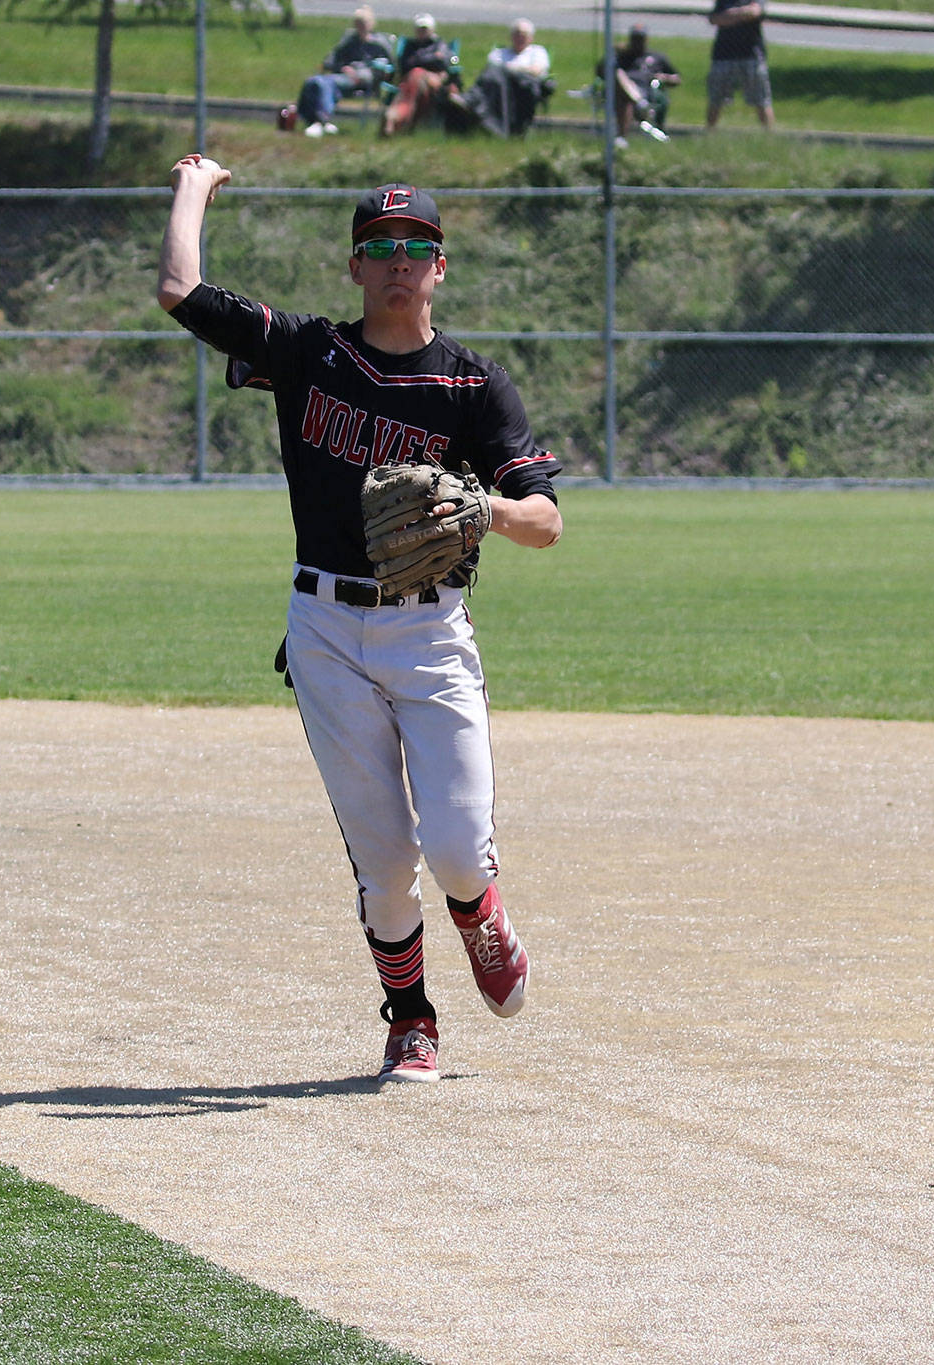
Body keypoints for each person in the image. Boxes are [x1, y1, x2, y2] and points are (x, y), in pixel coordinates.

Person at [155, 157, 564, 1084]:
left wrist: (480, 508)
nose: (395, 261)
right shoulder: (310, 354)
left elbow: (547, 521)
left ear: (440, 267)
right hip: (327, 629)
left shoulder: (472, 389)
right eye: (377, 248)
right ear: (355, 268)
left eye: (415, 247)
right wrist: (193, 186)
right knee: (384, 862)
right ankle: (411, 1017)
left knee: (458, 851)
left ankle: (480, 913)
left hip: (429, 632)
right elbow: (180, 290)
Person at [293, 6, 393, 139]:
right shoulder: (349, 41)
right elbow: (332, 59)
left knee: (324, 83)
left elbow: (385, 67)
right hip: (343, 76)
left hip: (362, 80)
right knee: (312, 82)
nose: (360, 26)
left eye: (363, 23)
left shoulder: (379, 44)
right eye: (357, 23)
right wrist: (342, 68)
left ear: (371, 24)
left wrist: (359, 73)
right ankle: (310, 120)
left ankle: (320, 121)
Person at [441, 19, 552, 137]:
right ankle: (471, 103)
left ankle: (470, 100)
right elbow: (490, 69)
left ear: (531, 38)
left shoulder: (537, 52)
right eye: (516, 34)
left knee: (496, 74)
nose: (520, 38)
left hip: (522, 86)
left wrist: (510, 69)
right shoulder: (500, 53)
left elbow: (536, 70)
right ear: (511, 37)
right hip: (499, 88)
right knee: (491, 75)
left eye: (523, 35)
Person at [601, 25, 680, 146]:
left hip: (644, 90)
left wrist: (663, 77)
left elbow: (676, 79)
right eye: (634, 38)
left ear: (646, 39)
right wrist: (612, 52)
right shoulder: (622, 56)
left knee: (624, 98)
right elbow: (601, 70)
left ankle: (622, 136)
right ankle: (638, 102)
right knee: (619, 75)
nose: (637, 42)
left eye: (640, 39)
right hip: (620, 92)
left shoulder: (656, 57)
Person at [382, 14, 457, 138]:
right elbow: (404, 64)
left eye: (425, 29)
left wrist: (418, 60)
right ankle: (401, 122)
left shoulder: (440, 44)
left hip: (432, 82)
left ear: (432, 30)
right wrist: (432, 58)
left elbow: (445, 62)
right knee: (415, 78)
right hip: (412, 81)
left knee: (416, 75)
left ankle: (395, 118)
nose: (422, 32)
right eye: (419, 29)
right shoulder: (409, 45)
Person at [706, 0, 773, 129]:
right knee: (716, 99)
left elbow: (755, 12)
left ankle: (769, 136)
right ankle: (709, 133)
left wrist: (730, 15)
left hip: (751, 56)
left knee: (761, 100)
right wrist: (742, 14)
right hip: (723, 55)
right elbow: (714, 19)